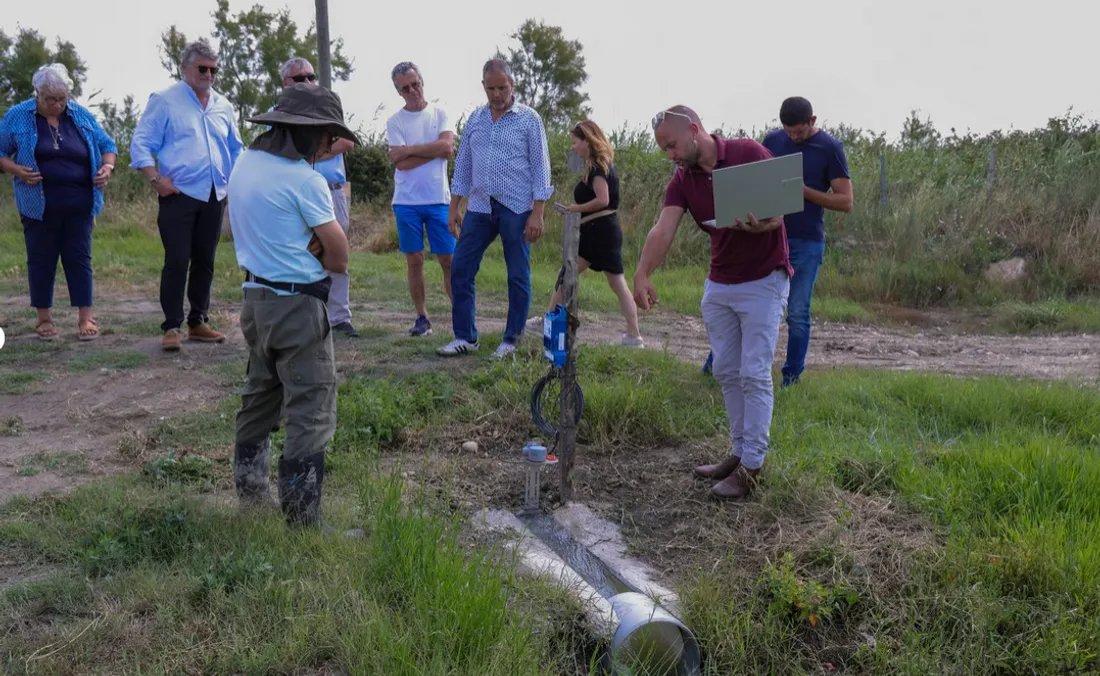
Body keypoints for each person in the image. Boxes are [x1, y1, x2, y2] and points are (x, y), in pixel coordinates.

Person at [634, 106, 792, 500]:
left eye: (671, 145)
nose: (669, 154)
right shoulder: (682, 180)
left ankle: (753, 465)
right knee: (725, 369)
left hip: (763, 279)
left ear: (693, 130)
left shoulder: (747, 153)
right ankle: (738, 454)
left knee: (754, 372)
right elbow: (662, 229)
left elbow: (782, 210)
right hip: (720, 283)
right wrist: (642, 273)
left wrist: (764, 223)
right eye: (664, 149)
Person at [227, 82, 362, 536]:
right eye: (327, 136)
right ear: (307, 133)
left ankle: (251, 495)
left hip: (254, 300)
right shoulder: (305, 180)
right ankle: (304, 523)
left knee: (261, 393)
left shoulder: (245, 163)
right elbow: (340, 257)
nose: (330, 145)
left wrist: (303, 242)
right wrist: (313, 246)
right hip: (297, 305)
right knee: (311, 404)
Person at [130, 39, 245, 352]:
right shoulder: (165, 101)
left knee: (205, 260)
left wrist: (235, 181)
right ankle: (171, 327)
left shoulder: (224, 105)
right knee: (178, 259)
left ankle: (198, 321)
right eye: (202, 68)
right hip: (178, 194)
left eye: (213, 70)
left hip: (214, 194)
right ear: (186, 69)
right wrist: (155, 179)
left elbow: (236, 147)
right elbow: (140, 143)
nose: (208, 74)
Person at [437, 58, 553, 360]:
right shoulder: (475, 119)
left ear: (512, 85)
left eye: (502, 87)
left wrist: (537, 211)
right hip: (479, 206)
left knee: (517, 273)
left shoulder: (529, 119)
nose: (497, 94)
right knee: (460, 267)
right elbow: (462, 165)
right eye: (491, 88)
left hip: (515, 206)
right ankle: (465, 336)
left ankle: (511, 340)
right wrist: (454, 206)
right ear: (484, 87)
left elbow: (541, 167)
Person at [0, 63, 117, 342]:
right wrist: (16, 170)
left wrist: (107, 169)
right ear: (37, 93)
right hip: (37, 205)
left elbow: (107, 146)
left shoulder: (80, 115)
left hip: (80, 204)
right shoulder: (18, 115)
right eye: (50, 99)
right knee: (42, 259)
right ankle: (44, 319)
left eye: (62, 99)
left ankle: (86, 317)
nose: (57, 104)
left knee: (80, 259)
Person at [526, 120, 643, 347]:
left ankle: (633, 335)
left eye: (575, 142)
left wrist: (573, 209)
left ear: (587, 141)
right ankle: (633, 334)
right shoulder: (599, 165)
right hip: (598, 232)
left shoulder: (598, 168)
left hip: (600, 233)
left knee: (591, 279)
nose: (573, 147)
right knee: (577, 276)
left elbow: (603, 200)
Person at [763, 96, 852, 386]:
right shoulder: (772, 140)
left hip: (806, 241)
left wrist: (803, 191)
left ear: (812, 122)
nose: (792, 137)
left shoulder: (830, 148)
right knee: (750, 304)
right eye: (788, 132)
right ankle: (726, 366)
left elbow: (845, 201)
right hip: (768, 236)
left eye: (798, 132)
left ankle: (791, 378)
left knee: (798, 313)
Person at [278, 57, 360, 338]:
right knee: (301, 252)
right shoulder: (276, 113)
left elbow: (347, 141)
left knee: (335, 253)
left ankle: (339, 317)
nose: (307, 83)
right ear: (285, 83)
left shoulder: (326, 106)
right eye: (299, 79)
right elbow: (277, 151)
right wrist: (322, 149)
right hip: (296, 192)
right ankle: (304, 315)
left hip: (332, 190)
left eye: (310, 77)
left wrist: (311, 153)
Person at [385, 61, 457, 338]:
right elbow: (400, 164)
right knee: (414, 260)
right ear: (399, 91)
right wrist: (434, 150)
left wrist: (408, 151)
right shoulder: (395, 121)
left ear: (422, 82)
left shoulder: (440, 113)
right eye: (406, 87)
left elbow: (447, 146)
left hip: (439, 199)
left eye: (415, 84)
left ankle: (459, 313)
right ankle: (422, 316)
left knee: (448, 259)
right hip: (406, 201)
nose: (413, 90)